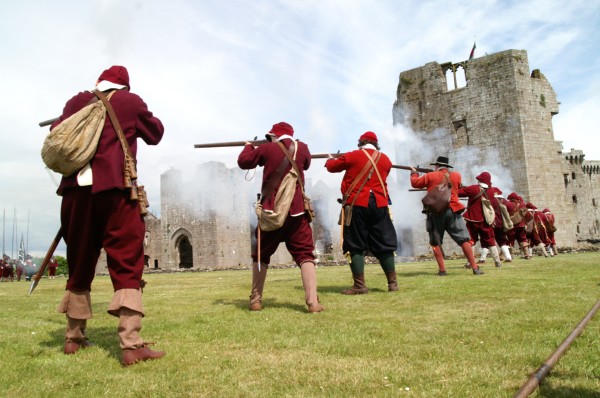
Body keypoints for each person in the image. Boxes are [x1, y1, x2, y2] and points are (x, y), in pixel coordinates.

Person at [50, 65, 165, 365]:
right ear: (124, 85)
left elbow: (56, 132)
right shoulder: (130, 102)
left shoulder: (77, 101)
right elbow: (156, 133)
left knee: (79, 264)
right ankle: (131, 345)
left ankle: (73, 339)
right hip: (116, 192)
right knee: (127, 263)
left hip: (75, 196)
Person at [237, 122, 324, 313]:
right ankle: (313, 303)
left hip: (271, 213)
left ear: (273, 136)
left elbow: (244, 161)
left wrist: (248, 146)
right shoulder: (303, 149)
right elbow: (307, 163)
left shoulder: (267, 148)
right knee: (305, 255)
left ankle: (256, 300)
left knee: (261, 254)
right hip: (297, 213)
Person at [325, 131, 398, 294]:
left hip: (357, 204)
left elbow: (331, 167)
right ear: (376, 144)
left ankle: (359, 285)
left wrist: (331, 158)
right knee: (384, 243)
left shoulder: (352, 156)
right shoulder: (385, 160)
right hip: (380, 204)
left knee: (354, 243)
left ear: (360, 143)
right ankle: (392, 283)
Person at [410, 156, 483, 275]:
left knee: (435, 241)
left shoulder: (430, 176)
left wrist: (414, 173)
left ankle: (442, 270)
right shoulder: (456, 175)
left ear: (437, 166)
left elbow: (415, 183)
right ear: (447, 167)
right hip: (453, 210)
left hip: (436, 212)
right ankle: (475, 268)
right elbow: (458, 187)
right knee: (464, 239)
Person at [458, 172, 503, 268]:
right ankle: (497, 261)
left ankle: (470, 262)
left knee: (471, 240)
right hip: (486, 220)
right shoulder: (491, 191)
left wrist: (457, 186)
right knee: (490, 240)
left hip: (472, 219)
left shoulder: (474, 188)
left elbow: (459, 193)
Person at [507, 193, 531, 259]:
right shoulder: (522, 204)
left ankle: (509, 256)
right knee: (523, 239)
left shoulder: (508, 204)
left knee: (510, 240)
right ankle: (527, 254)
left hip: (512, 225)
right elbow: (525, 215)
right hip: (521, 225)